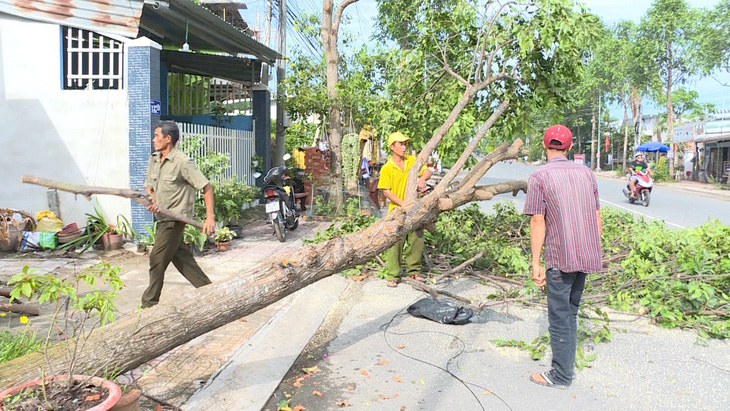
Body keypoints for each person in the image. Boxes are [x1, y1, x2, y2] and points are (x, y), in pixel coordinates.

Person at [523, 125, 602, 389]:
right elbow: (596, 216)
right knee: (570, 313)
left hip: (561, 257)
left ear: (544, 146)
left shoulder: (540, 176)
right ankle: (565, 368)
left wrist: (535, 264)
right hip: (586, 254)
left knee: (559, 316)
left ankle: (561, 375)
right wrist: (593, 249)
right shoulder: (587, 174)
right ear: (569, 148)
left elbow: (538, 220)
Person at [141, 121, 216, 308]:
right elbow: (149, 186)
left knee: (156, 259)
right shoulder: (154, 159)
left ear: (168, 139)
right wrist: (152, 200)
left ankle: (148, 304)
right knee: (182, 259)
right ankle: (211, 293)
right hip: (162, 217)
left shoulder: (182, 162)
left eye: (157, 136)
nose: (154, 139)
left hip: (175, 219)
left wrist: (210, 217)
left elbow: (206, 187)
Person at [377, 131, 432, 287]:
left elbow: (427, 171)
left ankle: (413, 271)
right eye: (400, 144)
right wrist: (403, 204)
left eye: (405, 143)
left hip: (414, 208)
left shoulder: (412, 161)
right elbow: (386, 191)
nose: (404, 146)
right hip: (397, 210)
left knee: (417, 238)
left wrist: (422, 178)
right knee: (396, 242)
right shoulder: (387, 168)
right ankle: (393, 274)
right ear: (392, 147)